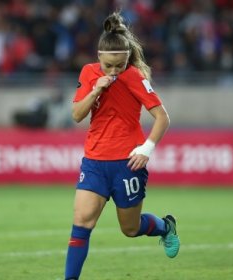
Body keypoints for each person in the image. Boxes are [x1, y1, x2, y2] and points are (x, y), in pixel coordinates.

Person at [64, 12, 180, 279]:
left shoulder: (135, 77)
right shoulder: (89, 73)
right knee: (81, 223)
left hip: (128, 162)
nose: (114, 71)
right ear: (99, 58)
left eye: (120, 65)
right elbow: (76, 115)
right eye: (109, 66)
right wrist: (96, 90)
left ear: (127, 60)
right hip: (94, 161)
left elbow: (163, 117)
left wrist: (146, 149)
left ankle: (165, 227)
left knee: (129, 228)